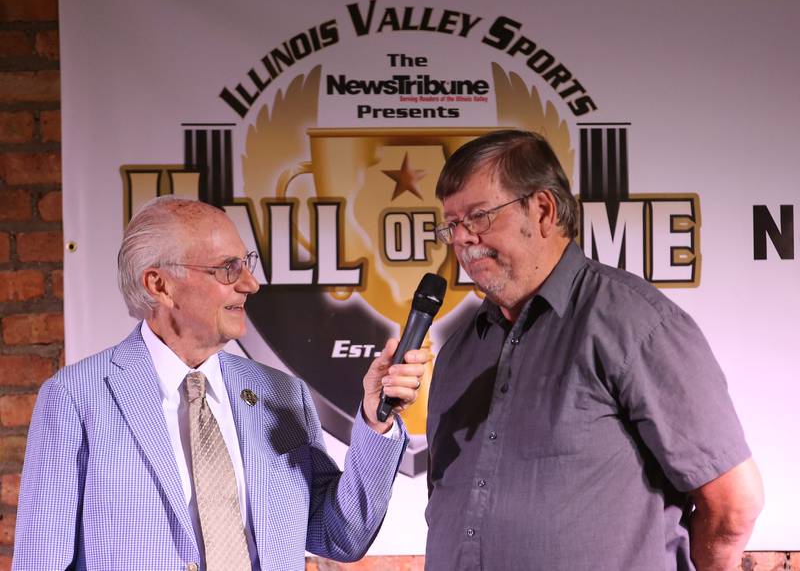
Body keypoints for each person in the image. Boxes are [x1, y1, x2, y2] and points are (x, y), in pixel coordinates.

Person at [13, 196, 429, 571]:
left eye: (245, 264)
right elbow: (41, 561)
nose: (250, 284)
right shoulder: (76, 397)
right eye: (228, 269)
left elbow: (340, 534)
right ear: (160, 285)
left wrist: (376, 422)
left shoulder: (282, 393)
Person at [425, 129, 764, 571]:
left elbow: (732, 503)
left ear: (543, 209)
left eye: (479, 216)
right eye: (452, 224)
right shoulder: (458, 351)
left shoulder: (635, 324)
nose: (462, 239)